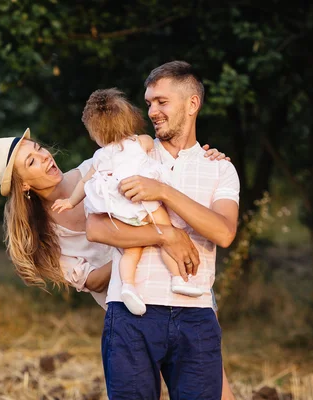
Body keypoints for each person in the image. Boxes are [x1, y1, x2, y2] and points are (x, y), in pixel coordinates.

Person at [85, 61, 240, 399]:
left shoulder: (221, 170)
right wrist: (166, 234)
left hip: (196, 316)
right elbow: (95, 227)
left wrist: (164, 192)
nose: (152, 110)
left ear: (192, 104)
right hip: (130, 315)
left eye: (162, 101)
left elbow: (225, 232)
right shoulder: (126, 153)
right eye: (149, 102)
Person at [51, 88, 205, 316]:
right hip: (145, 205)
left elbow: (84, 182)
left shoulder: (101, 156)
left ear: (96, 133)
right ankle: (178, 279)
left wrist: (70, 202)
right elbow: (160, 147)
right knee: (167, 232)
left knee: (131, 252)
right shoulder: (139, 142)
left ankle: (129, 287)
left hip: (121, 213)